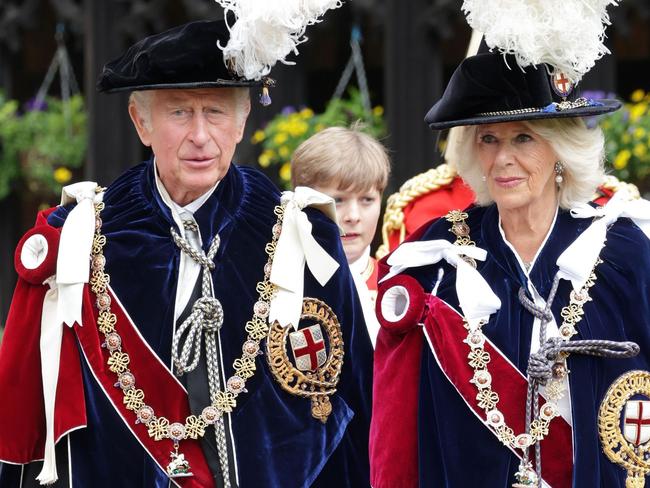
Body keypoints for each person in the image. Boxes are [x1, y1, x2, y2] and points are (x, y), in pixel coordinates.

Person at [0, 19, 372, 488]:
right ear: (142, 123)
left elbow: (358, 405)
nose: (200, 135)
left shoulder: (305, 236)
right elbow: (29, 411)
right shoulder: (78, 238)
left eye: (215, 112)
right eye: (179, 113)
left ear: (240, 124)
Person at [370, 4, 650, 488]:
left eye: (524, 137)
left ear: (560, 149)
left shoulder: (623, 254)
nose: (503, 159)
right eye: (489, 139)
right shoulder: (434, 259)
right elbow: (395, 427)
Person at [290, 125, 390, 346]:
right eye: (337, 200)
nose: (353, 216)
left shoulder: (398, 288)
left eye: (367, 200)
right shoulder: (282, 286)